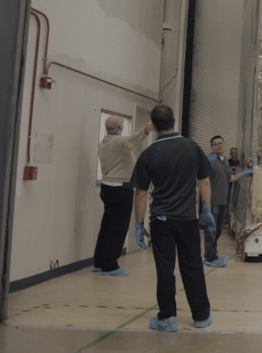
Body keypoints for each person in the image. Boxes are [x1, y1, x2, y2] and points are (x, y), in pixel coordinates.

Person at [132, 104, 214, 332]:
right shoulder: (191, 147)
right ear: (174, 120)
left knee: (165, 269)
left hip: (161, 221)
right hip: (188, 219)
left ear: (154, 125)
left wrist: (138, 224)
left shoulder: (148, 154)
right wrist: (206, 210)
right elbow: (204, 180)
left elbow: (140, 193)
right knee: (193, 265)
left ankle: (167, 318)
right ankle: (201, 315)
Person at [92, 116, 152, 276]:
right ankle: (110, 265)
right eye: (122, 125)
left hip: (107, 188)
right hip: (120, 190)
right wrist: (146, 130)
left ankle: (99, 261)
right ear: (119, 127)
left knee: (106, 226)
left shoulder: (104, 142)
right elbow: (131, 141)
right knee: (118, 228)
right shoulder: (118, 142)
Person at [203, 135, 238, 267]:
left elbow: (229, 178)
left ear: (224, 144)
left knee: (218, 231)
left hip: (223, 200)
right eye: (215, 144)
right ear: (212, 147)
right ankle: (210, 257)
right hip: (212, 201)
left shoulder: (225, 161)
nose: (218, 146)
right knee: (210, 230)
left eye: (220, 143)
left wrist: (244, 174)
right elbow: (203, 179)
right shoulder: (210, 160)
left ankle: (211, 254)